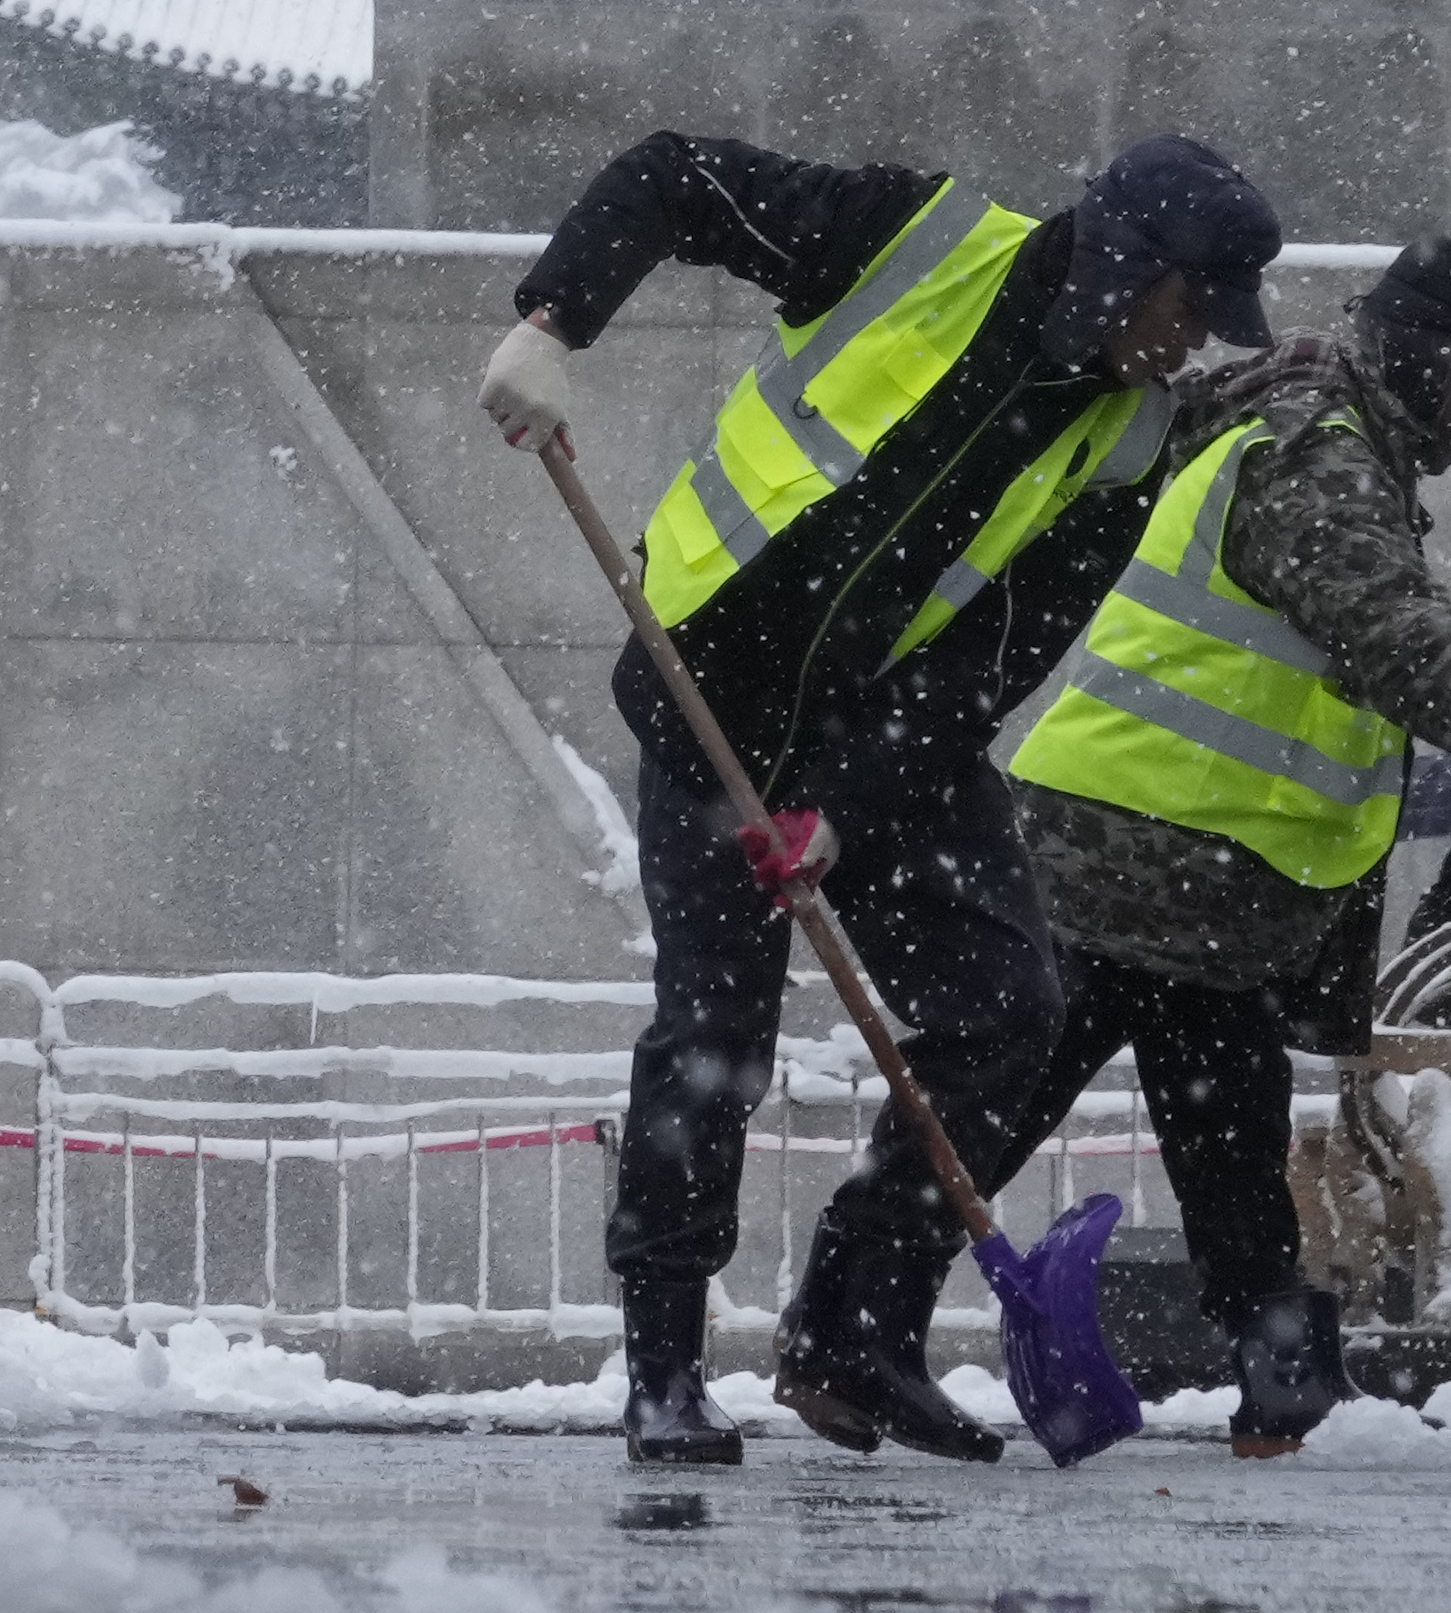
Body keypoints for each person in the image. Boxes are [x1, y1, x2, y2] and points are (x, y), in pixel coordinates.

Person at [778, 233, 1451, 1461]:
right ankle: (857, 1337)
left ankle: (1269, 1373)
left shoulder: (1295, 432)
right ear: (1433, 360)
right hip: (1127, 856)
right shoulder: (1319, 456)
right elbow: (1391, 633)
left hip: (1199, 880)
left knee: (1210, 1126)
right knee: (1013, 1107)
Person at [474, 125, 1278, 1470]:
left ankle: (853, 1327)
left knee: (1008, 1006)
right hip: (710, 691)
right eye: (1192, 306)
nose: (1198, 343)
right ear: (1128, 267)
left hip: (889, 732)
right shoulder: (919, 239)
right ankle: (664, 1368)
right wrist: (556, 320)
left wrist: (844, 802)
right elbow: (676, 177)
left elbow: (1002, 649)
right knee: (714, 1036)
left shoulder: (1134, 431)